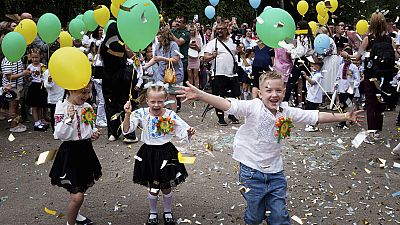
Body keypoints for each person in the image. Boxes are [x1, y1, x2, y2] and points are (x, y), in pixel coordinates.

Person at [176, 71, 363, 225]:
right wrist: (201, 95)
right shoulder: (253, 107)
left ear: (284, 92)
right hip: (251, 173)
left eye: (278, 90)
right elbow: (228, 105)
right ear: (259, 92)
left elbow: (313, 116)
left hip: (275, 173)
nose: (274, 94)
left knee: (279, 216)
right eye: (269, 90)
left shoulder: (286, 111)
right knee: (256, 216)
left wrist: (345, 116)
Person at [121, 83, 195, 225]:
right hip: (149, 154)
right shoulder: (140, 113)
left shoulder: (170, 114)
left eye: (160, 101)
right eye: (153, 101)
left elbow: (182, 130)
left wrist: (188, 132)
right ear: (147, 100)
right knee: (153, 187)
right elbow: (126, 130)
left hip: (166, 153)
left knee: (166, 186)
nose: (156, 105)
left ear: (165, 100)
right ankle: (153, 212)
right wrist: (127, 113)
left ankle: (167, 211)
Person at [49, 81, 101, 225]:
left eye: (88, 91)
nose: (87, 95)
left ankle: (76, 215)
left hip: (86, 151)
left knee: (81, 188)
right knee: (77, 196)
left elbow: (89, 128)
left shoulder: (87, 107)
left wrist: (93, 134)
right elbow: (59, 134)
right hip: (70, 154)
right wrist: (69, 118)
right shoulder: (62, 107)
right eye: (82, 92)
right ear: (70, 90)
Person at [343, 12, 399, 142]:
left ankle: (372, 131)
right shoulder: (389, 39)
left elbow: (357, 56)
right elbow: (396, 57)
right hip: (385, 76)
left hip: (370, 75)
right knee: (380, 103)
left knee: (371, 103)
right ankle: (378, 131)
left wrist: (346, 55)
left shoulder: (368, 39)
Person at [100, 22, 138, 143]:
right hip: (122, 78)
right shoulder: (121, 44)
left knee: (110, 105)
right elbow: (129, 57)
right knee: (125, 104)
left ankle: (113, 133)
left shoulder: (104, 45)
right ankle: (129, 134)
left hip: (107, 78)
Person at [204, 23, 242, 126]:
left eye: (222, 29)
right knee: (219, 96)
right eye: (218, 29)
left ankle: (231, 114)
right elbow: (205, 57)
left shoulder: (232, 42)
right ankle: (220, 117)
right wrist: (213, 55)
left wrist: (240, 50)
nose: (219, 31)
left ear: (226, 30)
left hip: (232, 74)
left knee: (234, 95)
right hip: (218, 73)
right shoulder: (212, 43)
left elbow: (241, 52)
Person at [143, 27, 184, 112]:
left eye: (158, 35)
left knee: (171, 95)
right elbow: (155, 59)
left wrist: (162, 58)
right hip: (162, 74)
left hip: (173, 74)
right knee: (162, 93)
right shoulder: (158, 46)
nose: (157, 37)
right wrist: (145, 67)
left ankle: (173, 115)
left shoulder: (173, 45)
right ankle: (162, 113)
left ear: (163, 35)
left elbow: (176, 60)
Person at [1, 57, 30, 132]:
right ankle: (13, 125)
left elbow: (19, 71)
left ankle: (16, 122)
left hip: (19, 86)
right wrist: (22, 73)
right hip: (11, 87)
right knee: (13, 106)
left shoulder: (18, 58)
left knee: (18, 106)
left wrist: (25, 72)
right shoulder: (7, 61)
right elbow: (9, 77)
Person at [335, 50, 360, 129]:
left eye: (347, 58)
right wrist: (336, 84)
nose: (346, 60)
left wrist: (352, 86)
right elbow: (338, 76)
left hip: (350, 88)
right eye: (344, 58)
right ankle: (343, 121)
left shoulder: (354, 67)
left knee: (347, 104)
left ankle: (347, 119)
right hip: (342, 87)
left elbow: (357, 79)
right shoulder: (341, 66)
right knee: (342, 104)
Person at [26, 48, 49, 131]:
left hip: (41, 86)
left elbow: (45, 76)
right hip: (33, 87)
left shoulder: (42, 66)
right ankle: (36, 122)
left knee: (40, 106)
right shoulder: (29, 66)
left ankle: (39, 121)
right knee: (34, 106)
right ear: (30, 57)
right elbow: (28, 78)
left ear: (40, 57)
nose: (35, 59)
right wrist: (28, 77)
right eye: (33, 57)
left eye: (36, 57)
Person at [303, 56, 324, 132]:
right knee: (308, 110)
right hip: (311, 95)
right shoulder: (313, 74)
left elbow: (312, 82)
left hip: (315, 97)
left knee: (312, 111)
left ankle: (312, 124)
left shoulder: (318, 75)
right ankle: (310, 123)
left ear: (317, 67)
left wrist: (306, 77)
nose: (310, 67)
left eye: (312, 66)